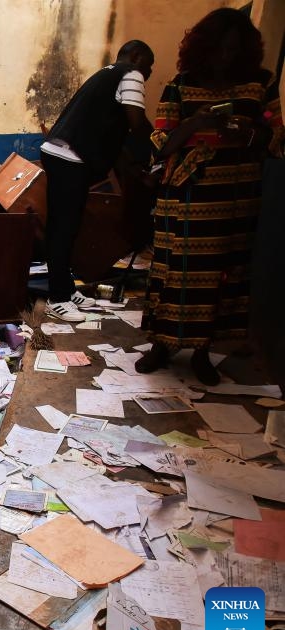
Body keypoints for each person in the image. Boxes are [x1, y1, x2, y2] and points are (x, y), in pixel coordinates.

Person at [136, 8, 283, 385]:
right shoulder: (181, 86)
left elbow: (276, 138)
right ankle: (161, 345)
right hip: (186, 197)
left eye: (233, 49)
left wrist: (247, 133)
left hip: (235, 196)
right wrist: (196, 124)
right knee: (174, 273)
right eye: (220, 48)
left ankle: (202, 352)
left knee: (220, 277)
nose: (225, 57)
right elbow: (161, 142)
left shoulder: (259, 86)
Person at [41, 40, 155, 323]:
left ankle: (65, 290)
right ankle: (57, 298)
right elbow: (137, 123)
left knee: (67, 227)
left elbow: (114, 135)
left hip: (64, 154)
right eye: (149, 66)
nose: (149, 74)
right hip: (69, 157)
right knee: (64, 229)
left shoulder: (107, 75)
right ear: (137, 56)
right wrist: (160, 144)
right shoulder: (130, 73)